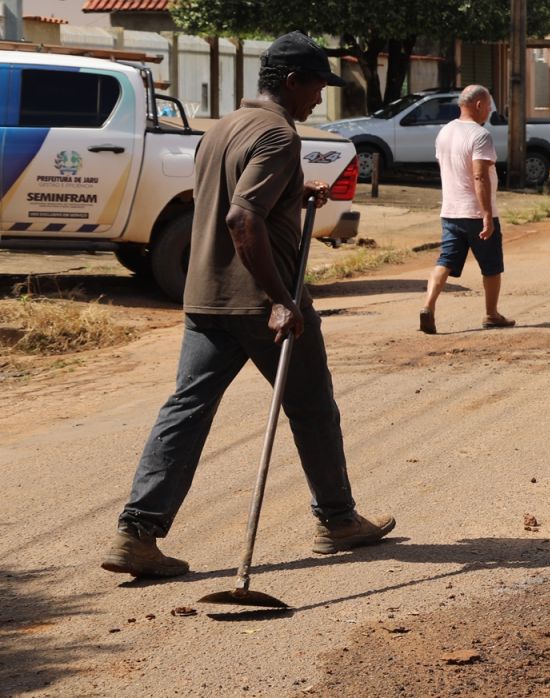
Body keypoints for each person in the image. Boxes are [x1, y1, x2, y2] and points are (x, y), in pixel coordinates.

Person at [102, 32, 394, 579]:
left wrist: (293, 193)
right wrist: (281, 300)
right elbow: (242, 217)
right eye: (314, 87)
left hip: (204, 297)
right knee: (311, 408)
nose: (318, 99)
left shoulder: (223, 129)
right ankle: (337, 520)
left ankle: (136, 534)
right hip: (260, 305)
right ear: (291, 82)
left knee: (186, 411)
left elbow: (240, 197)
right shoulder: (279, 136)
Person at [419, 85, 514, 333]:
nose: (491, 111)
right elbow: (479, 177)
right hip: (475, 212)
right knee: (492, 267)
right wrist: (486, 215)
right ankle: (491, 314)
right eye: (490, 106)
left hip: (450, 212)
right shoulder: (480, 135)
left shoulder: (445, 132)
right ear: (479, 105)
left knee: (445, 261)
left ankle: (428, 306)